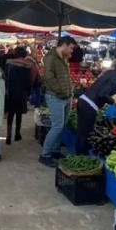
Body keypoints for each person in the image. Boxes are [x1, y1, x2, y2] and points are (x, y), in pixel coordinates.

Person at [76, 58, 116, 155]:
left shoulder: (113, 73)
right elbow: (102, 94)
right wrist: (114, 102)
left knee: (82, 131)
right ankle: (81, 156)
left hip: (84, 101)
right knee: (85, 133)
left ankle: (80, 154)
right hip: (89, 105)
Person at [40, 36, 77, 167]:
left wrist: (70, 91)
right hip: (55, 97)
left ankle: (55, 150)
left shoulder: (64, 58)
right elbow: (48, 78)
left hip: (66, 96)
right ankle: (45, 155)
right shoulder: (50, 58)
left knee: (63, 124)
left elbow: (65, 77)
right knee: (57, 126)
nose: (72, 51)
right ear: (65, 45)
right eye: (71, 48)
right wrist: (61, 91)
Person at [4, 47, 33, 145]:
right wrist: (28, 93)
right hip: (21, 93)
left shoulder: (8, 64)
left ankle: (8, 136)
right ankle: (17, 134)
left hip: (11, 92)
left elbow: (5, 78)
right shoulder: (27, 66)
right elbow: (28, 82)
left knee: (10, 114)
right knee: (19, 114)